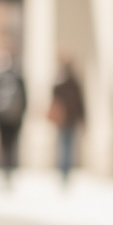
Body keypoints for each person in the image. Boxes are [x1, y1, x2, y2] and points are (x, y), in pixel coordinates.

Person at [0, 50, 27, 189]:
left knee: (3, 145)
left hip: (1, 117)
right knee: (12, 145)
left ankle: (3, 171)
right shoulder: (18, 76)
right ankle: (10, 171)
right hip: (15, 117)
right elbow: (25, 98)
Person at [49, 57, 86, 187]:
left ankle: (64, 172)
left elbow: (80, 103)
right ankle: (64, 172)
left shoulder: (63, 81)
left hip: (67, 118)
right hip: (67, 118)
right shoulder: (71, 81)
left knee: (64, 146)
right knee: (67, 146)